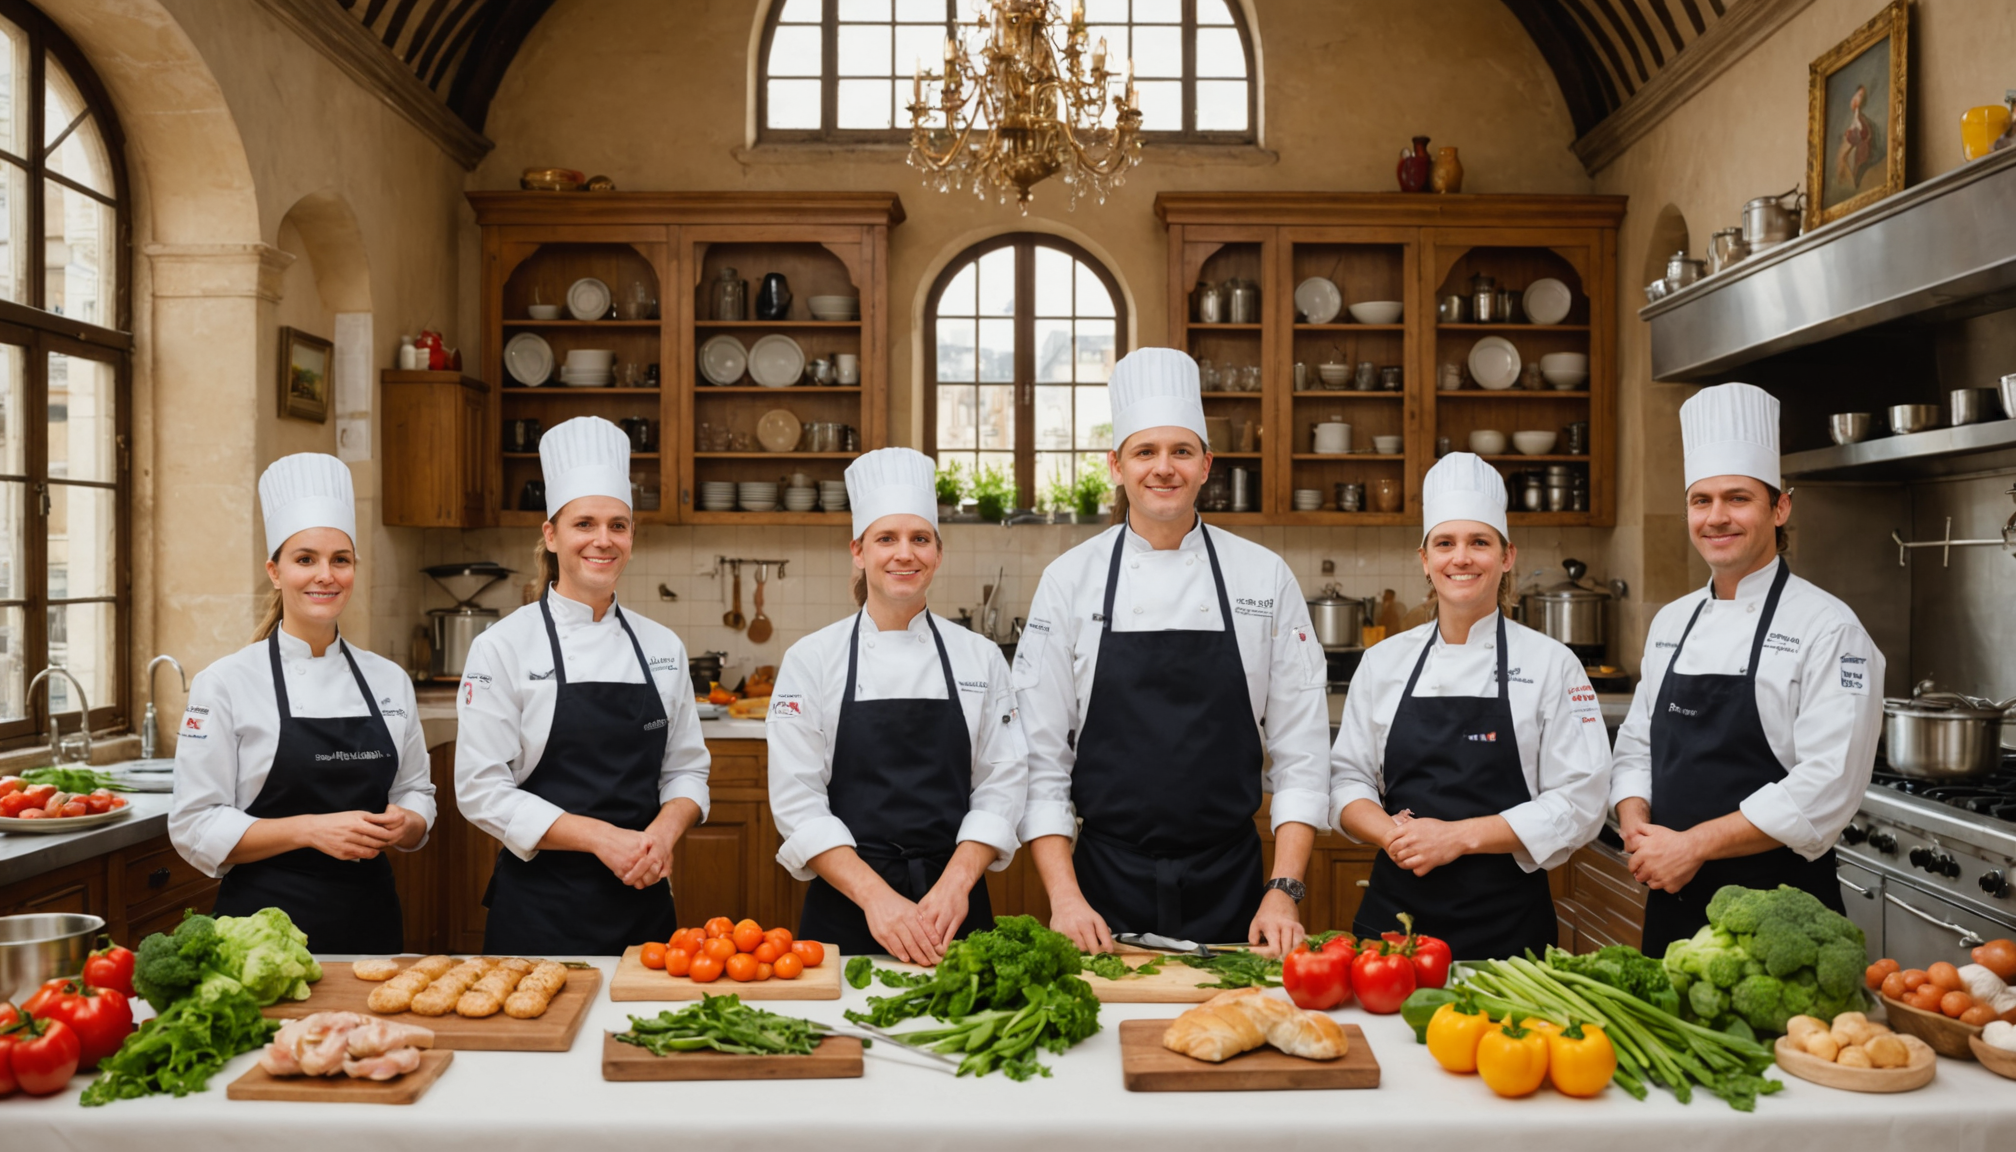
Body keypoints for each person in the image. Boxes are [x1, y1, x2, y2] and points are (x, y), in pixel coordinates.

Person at [1017, 347, 1330, 956]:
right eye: (1145, 452)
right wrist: (1065, 898)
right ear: (1116, 465)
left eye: (1181, 451)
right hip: (1100, 888)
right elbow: (1040, 761)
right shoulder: (1069, 580)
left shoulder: (1263, 577)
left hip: (1238, 887)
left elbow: (1302, 751)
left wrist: (1284, 890)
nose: (1164, 468)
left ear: (1207, 464)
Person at [1612, 383, 1884, 957]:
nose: (1716, 518)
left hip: (1780, 916)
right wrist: (1637, 826)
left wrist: (1694, 846)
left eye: (1737, 498)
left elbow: (1827, 784)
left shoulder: (1829, 628)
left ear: (1780, 507)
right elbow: (1637, 746)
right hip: (1672, 901)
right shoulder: (1671, 621)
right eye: (1701, 500)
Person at [1330, 453, 1612, 960]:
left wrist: (1457, 838)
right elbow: (1345, 780)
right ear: (1425, 559)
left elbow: (1582, 801)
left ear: (1507, 557)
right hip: (1392, 931)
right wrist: (1396, 835)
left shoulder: (1552, 664)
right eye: (1446, 543)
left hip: (1506, 930)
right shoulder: (1383, 662)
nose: (1461, 558)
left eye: (1479, 542)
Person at [455, 416, 710, 955]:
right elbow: (480, 791)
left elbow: (686, 769)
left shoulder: (662, 646)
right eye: (584, 524)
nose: (603, 540)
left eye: (618, 525)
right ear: (551, 535)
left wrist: (661, 837)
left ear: (632, 537)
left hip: (644, 900)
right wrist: (602, 839)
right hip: (539, 908)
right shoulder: (503, 646)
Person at [766, 449, 1027, 963]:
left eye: (920, 539)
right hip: (848, 907)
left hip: (954, 910)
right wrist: (878, 900)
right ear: (859, 552)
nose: (904, 554)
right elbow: (798, 803)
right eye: (887, 539)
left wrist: (955, 885)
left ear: (938, 552)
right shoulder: (812, 659)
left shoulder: (979, 657)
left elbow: (1002, 783)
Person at [170, 453, 435, 953]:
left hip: (371, 922)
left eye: (341, 560)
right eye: (305, 559)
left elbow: (417, 789)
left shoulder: (389, 680)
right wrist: (312, 830)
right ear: (275, 571)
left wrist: (408, 822)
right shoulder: (226, 682)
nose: (326, 575)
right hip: (260, 934)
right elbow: (194, 824)